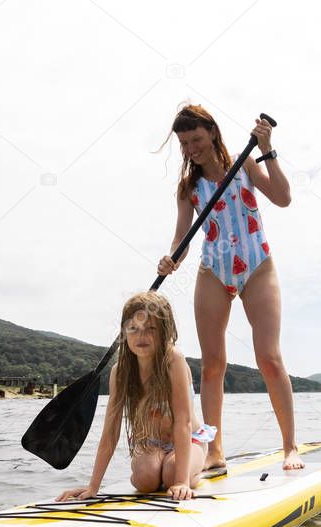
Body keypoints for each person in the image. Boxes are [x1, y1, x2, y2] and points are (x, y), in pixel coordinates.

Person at [156, 104, 303, 471]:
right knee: (211, 366)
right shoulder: (189, 187)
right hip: (214, 272)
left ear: (213, 132)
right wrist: (170, 257)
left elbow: (283, 198)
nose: (192, 149)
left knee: (269, 358)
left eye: (197, 139)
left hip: (257, 266)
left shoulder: (245, 164)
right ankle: (215, 451)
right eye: (185, 143)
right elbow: (182, 237)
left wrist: (267, 150)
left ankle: (290, 447)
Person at [56, 292, 218, 502]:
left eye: (151, 329)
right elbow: (110, 432)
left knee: (171, 475)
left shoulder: (173, 361)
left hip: (189, 440)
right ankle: (163, 469)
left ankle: (195, 469)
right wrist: (93, 486)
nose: (141, 336)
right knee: (145, 480)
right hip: (152, 443)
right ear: (124, 333)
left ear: (164, 332)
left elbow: (183, 423)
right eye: (133, 329)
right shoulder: (120, 372)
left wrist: (181, 482)